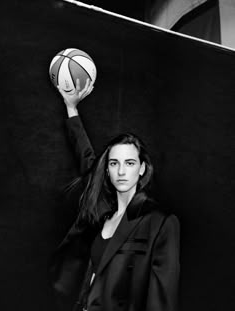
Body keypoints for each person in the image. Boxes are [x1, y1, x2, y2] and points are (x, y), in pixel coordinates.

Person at [50, 79, 180, 311]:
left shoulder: (159, 223)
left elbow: (161, 300)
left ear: (141, 169)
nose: (121, 171)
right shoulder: (102, 207)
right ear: (107, 170)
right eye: (114, 163)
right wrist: (72, 109)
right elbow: (85, 155)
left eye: (129, 163)